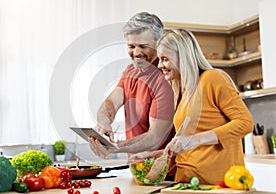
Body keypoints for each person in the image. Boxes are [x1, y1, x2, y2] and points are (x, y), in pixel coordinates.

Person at [130, 29, 253, 185]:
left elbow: (245, 123)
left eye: (165, 59)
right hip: (186, 182)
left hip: (215, 185)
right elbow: (187, 147)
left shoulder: (212, 78)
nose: (160, 65)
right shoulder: (183, 91)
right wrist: (152, 155)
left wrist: (195, 140)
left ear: (184, 57)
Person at [88, 12, 175, 159]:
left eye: (143, 46)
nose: (136, 53)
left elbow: (155, 138)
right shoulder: (130, 70)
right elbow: (111, 102)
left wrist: (114, 147)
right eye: (131, 46)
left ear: (159, 44)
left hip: (165, 173)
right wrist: (104, 122)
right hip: (138, 167)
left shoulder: (164, 78)